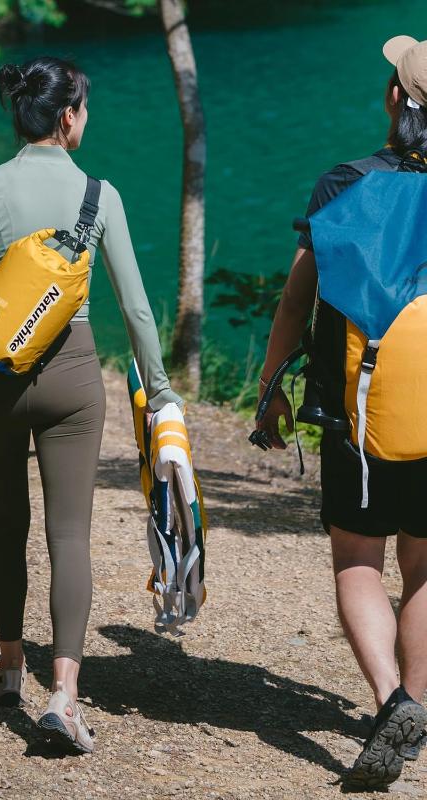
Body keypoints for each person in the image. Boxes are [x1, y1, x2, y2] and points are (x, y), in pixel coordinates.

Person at [0, 57, 182, 754]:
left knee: (5, 522)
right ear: (68, 116)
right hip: (72, 376)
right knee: (69, 534)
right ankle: (65, 696)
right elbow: (135, 306)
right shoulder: (101, 195)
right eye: (86, 110)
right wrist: (159, 391)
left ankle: (11, 665)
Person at [256, 35, 427, 789]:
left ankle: (391, 701)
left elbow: (298, 299)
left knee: (359, 559)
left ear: (395, 100)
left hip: (357, 413)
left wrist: (271, 390)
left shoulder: (344, 185)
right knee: (425, 562)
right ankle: (417, 702)